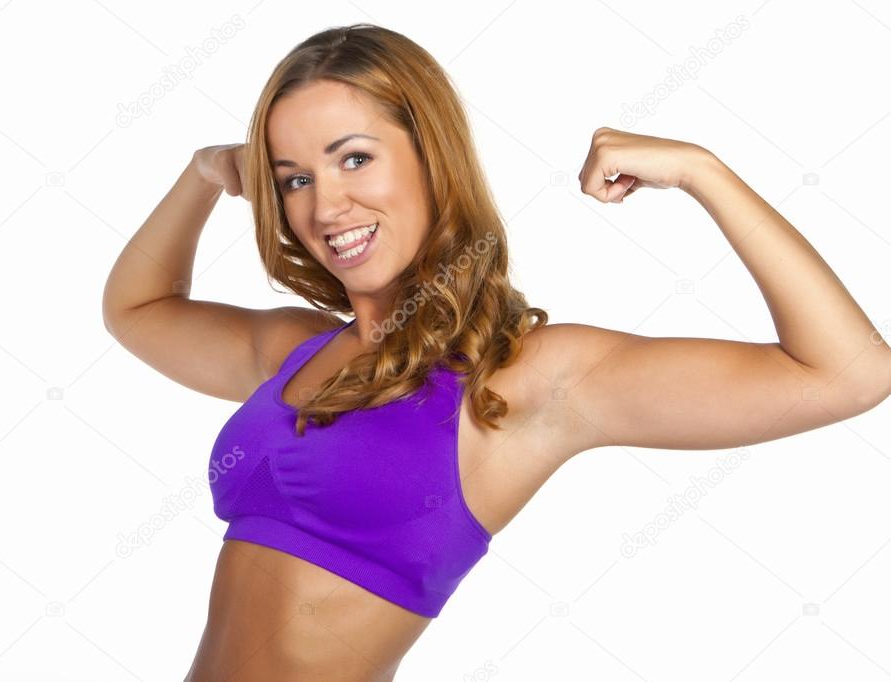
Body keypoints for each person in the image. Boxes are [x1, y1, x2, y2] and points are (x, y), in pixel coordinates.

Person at [101, 23, 891, 682]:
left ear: (429, 155)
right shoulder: (295, 352)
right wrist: (202, 174)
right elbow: (136, 310)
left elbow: (849, 375)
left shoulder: (524, 382)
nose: (326, 203)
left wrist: (702, 172)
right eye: (293, 178)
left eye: (353, 158)